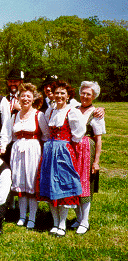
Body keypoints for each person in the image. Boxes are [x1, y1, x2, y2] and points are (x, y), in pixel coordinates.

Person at [38, 80, 85, 237]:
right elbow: (45, 132)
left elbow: (78, 133)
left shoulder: (72, 112)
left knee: (62, 186)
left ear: (68, 95)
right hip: (50, 150)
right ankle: (55, 222)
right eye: (56, 92)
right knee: (50, 185)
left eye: (62, 93)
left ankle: (62, 224)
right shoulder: (50, 111)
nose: (59, 96)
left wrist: (66, 146)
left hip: (64, 151)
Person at [9, 83, 50, 229]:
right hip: (18, 150)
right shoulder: (14, 116)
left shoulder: (39, 115)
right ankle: (21, 216)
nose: (25, 98)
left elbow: (46, 136)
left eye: (28, 96)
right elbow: (11, 136)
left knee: (32, 183)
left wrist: (38, 151)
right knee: (20, 182)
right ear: (18, 98)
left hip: (33, 150)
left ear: (33, 99)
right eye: (22, 96)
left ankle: (31, 217)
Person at [71, 81, 106, 235]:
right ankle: (78, 218)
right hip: (73, 149)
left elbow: (98, 139)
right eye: (83, 93)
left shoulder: (96, 113)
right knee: (74, 184)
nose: (85, 96)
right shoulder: (74, 108)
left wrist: (96, 161)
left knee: (85, 184)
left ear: (94, 96)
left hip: (87, 150)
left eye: (88, 94)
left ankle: (85, 221)